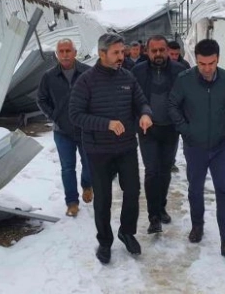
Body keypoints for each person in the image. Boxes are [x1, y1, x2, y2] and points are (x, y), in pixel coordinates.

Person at [69, 32, 153, 264]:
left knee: (133, 191)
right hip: (98, 151)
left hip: (126, 147)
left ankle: (127, 232)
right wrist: (106, 124)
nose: (121, 56)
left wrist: (145, 114)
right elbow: (75, 115)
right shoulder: (85, 81)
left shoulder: (127, 77)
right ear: (102, 53)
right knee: (103, 199)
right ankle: (104, 241)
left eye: (122, 52)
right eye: (116, 53)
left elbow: (141, 102)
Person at [168, 38, 225, 257]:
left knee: (224, 191)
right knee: (195, 188)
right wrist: (185, 130)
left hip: (220, 146)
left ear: (217, 59)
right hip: (195, 146)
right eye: (202, 64)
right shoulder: (185, 80)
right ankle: (197, 225)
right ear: (196, 61)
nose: (207, 69)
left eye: (211, 63)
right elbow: (173, 105)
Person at [131, 35, 187, 234]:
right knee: (151, 171)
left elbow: (187, 100)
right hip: (148, 129)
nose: (158, 54)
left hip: (171, 129)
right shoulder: (137, 72)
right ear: (147, 52)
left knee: (164, 171)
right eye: (154, 51)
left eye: (161, 50)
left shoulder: (180, 71)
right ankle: (153, 217)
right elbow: (133, 100)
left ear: (167, 50)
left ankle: (161, 206)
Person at [37, 39, 92, 217]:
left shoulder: (87, 72)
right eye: (61, 51)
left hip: (85, 130)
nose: (65, 54)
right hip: (62, 131)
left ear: (75, 53)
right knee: (67, 168)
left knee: (89, 163)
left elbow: (96, 96)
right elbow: (41, 99)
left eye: (68, 50)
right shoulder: (49, 76)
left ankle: (87, 185)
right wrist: (54, 116)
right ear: (57, 54)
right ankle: (72, 202)